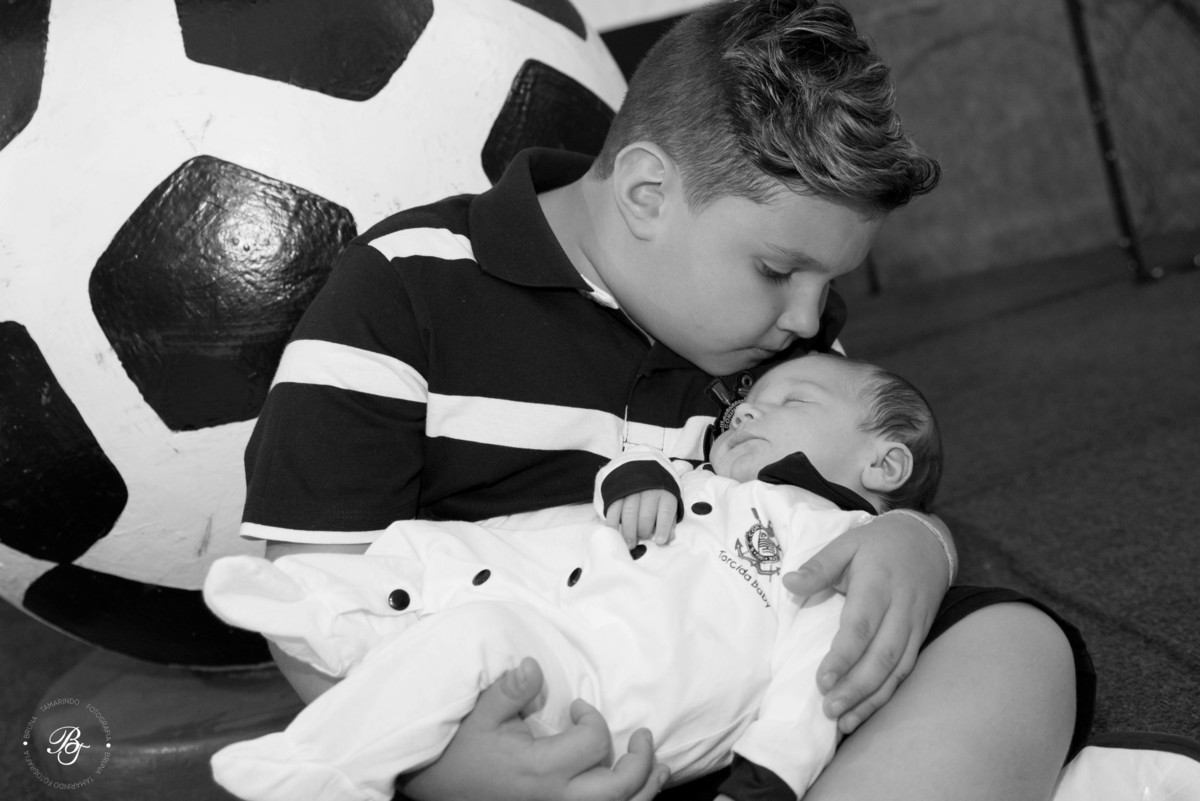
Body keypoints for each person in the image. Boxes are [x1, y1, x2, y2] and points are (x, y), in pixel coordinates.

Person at [239, 1, 1087, 798]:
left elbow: (842, 500)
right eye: (778, 270)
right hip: (530, 734)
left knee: (1018, 648)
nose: (808, 317)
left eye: (828, 282)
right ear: (648, 193)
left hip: (743, 715)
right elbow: (315, 594)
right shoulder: (404, 290)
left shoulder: (777, 341)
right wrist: (446, 770)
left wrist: (918, 540)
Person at [206, 353, 969, 801]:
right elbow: (624, 472)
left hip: (615, 695)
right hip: (565, 616)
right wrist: (636, 479)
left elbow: (819, 682)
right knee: (451, 573)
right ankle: (330, 609)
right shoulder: (706, 480)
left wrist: (765, 780)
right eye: (743, 405)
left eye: (789, 401)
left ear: (883, 462)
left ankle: (327, 755)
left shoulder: (837, 544)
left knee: (475, 632)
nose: (743, 413)